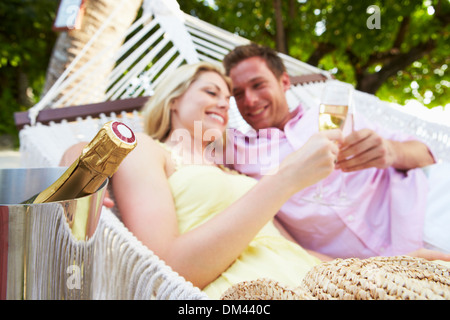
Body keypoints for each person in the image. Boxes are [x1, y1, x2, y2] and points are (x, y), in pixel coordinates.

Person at [91, 61, 343, 299]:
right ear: (174, 100)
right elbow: (162, 272)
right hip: (250, 289)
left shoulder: (235, 171)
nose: (224, 104)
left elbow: (292, 247)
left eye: (227, 99)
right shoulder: (145, 148)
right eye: (211, 93)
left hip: (314, 281)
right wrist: (284, 179)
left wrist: (363, 267)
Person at [222, 43, 450, 260]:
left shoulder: (329, 116)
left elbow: (426, 153)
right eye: (238, 94)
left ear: (284, 81)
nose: (249, 100)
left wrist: (391, 151)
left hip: (427, 206)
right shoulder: (240, 152)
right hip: (376, 272)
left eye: (258, 85)